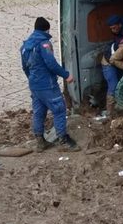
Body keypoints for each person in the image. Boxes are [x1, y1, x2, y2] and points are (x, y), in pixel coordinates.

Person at [21, 17, 79, 152]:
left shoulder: (25, 46)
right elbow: (51, 64)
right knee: (59, 109)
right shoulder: (44, 44)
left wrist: (32, 80)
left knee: (39, 112)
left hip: (34, 85)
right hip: (47, 85)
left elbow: (25, 67)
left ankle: (40, 141)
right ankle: (63, 140)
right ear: (46, 29)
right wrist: (66, 75)